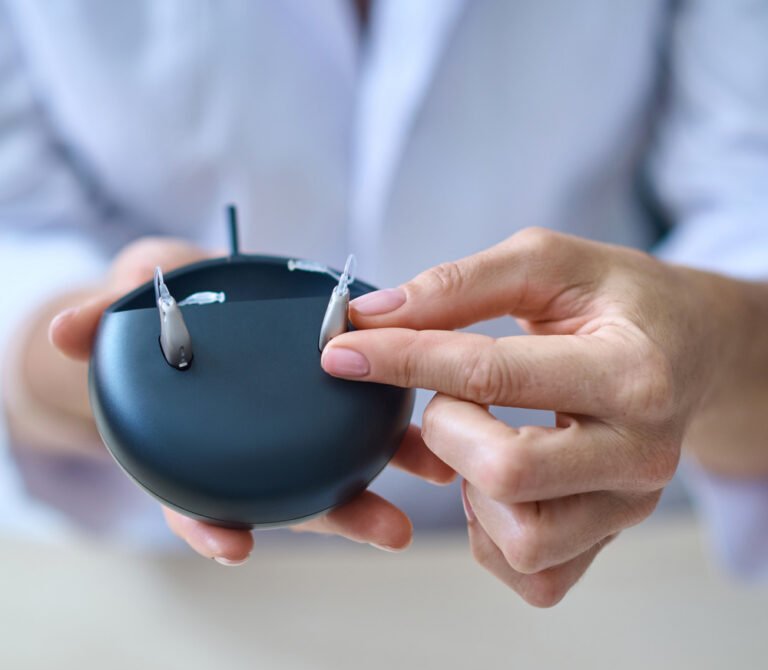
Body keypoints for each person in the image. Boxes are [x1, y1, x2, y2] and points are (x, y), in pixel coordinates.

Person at [2, 1, 767, 606]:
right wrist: (59, 359)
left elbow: (749, 192)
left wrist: (715, 340)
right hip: (157, 591)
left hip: (637, 578)